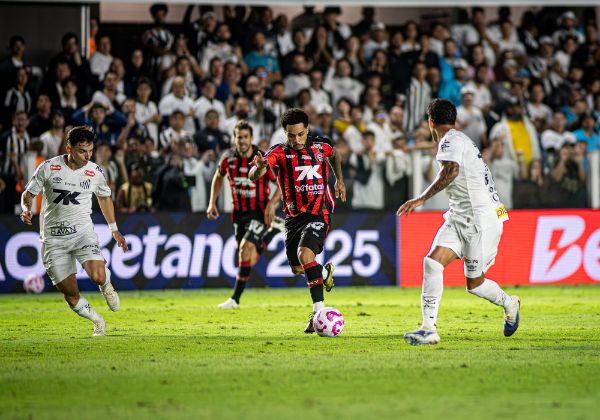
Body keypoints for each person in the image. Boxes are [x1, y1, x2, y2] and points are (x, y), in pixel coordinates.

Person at [397, 99, 520, 346]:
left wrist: (421, 198)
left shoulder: (450, 140)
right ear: (454, 120)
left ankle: (510, 303)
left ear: (430, 122)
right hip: (459, 216)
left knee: (475, 284)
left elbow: (451, 171)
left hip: (481, 220)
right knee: (432, 263)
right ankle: (428, 328)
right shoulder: (458, 139)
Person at [19, 126, 128, 337]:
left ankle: (106, 285)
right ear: (69, 149)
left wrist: (114, 230)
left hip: (82, 234)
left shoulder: (95, 172)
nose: (88, 156)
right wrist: (26, 209)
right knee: (71, 295)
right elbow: (28, 194)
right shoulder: (48, 167)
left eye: (90, 151)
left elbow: (104, 197)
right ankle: (97, 321)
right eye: (82, 151)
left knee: (98, 276)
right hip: (53, 239)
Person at [249, 108, 346, 333]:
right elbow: (255, 173)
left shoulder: (321, 146)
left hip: (319, 212)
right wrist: (259, 168)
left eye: (300, 134)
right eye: (291, 135)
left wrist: (339, 180)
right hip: (293, 218)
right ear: (285, 133)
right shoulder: (279, 152)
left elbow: (335, 155)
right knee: (296, 267)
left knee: (305, 255)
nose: (297, 140)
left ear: (307, 130)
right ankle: (324, 274)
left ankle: (318, 314)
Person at [207, 121, 283, 308]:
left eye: (245, 137)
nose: (242, 140)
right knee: (249, 257)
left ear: (251, 138)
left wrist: (271, 204)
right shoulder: (228, 159)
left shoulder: (261, 159)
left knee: (245, 248)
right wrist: (212, 202)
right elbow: (218, 176)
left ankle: (235, 299)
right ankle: (273, 231)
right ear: (234, 138)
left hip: (259, 211)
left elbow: (281, 184)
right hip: (239, 213)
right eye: (238, 137)